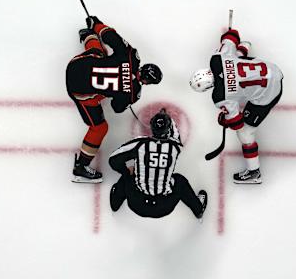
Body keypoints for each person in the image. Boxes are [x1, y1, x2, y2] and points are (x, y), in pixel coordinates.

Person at [66, 16, 162, 183]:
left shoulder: (131, 56)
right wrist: (123, 97)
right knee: (100, 128)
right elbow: (116, 107)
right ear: (147, 82)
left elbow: (111, 36)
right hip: (78, 90)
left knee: (100, 53)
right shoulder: (134, 93)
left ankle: (87, 35)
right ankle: (81, 167)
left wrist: (96, 24)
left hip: (75, 65)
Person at [189, 28, 283, 184]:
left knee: (245, 133)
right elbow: (232, 36)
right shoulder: (216, 58)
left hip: (270, 92)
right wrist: (234, 41)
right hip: (272, 68)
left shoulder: (220, 97)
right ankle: (243, 49)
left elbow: (237, 123)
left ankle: (254, 173)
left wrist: (225, 120)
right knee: (233, 57)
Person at [108, 109, 208, 220]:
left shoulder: (140, 144)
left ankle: (115, 204)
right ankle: (198, 210)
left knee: (128, 177)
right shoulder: (174, 147)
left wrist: (127, 171)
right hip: (164, 206)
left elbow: (113, 160)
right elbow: (176, 135)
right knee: (180, 181)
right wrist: (167, 117)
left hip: (137, 204)